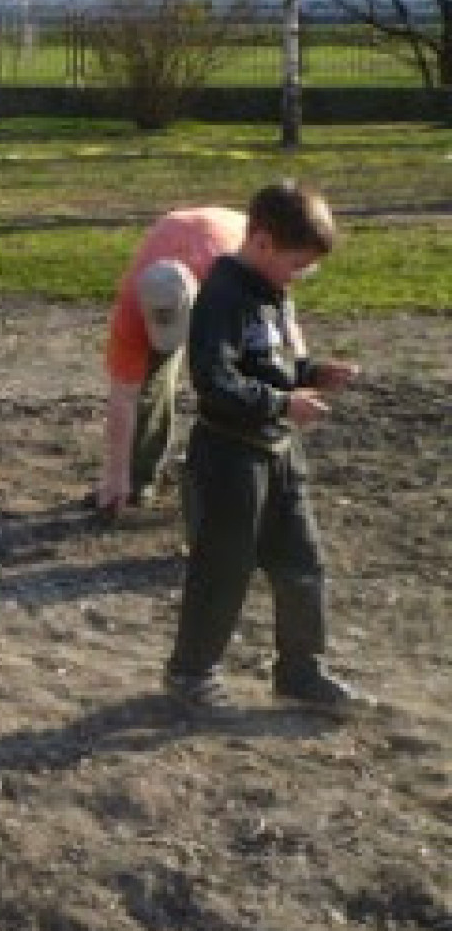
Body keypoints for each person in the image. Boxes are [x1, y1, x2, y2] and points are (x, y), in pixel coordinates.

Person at [162, 181, 366, 714]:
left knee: (303, 561)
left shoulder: (271, 292)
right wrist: (281, 403)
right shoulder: (223, 295)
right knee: (224, 568)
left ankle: (301, 670)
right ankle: (191, 673)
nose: (299, 276)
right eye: (296, 265)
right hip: (230, 456)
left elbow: (270, 364)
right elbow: (214, 381)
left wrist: (312, 372)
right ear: (262, 243)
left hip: (279, 452)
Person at [96, 206, 247, 516]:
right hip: (182, 241)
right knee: (149, 380)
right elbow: (123, 395)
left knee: (234, 376)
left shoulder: (233, 277)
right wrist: (115, 475)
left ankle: (240, 476)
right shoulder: (131, 310)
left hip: (232, 240)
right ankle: (137, 479)